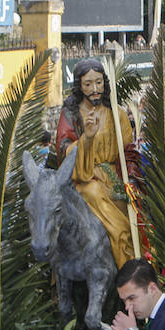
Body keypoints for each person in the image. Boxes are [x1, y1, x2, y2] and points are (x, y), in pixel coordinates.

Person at [55, 60, 139, 269]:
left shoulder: (116, 113)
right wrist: (87, 139)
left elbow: (129, 152)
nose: (95, 89)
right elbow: (63, 150)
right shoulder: (72, 115)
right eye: (88, 84)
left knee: (136, 207)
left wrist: (130, 177)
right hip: (84, 179)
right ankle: (124, 250)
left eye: (99, 83)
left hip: (114, 177)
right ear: (79, 86)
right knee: (93, 194)